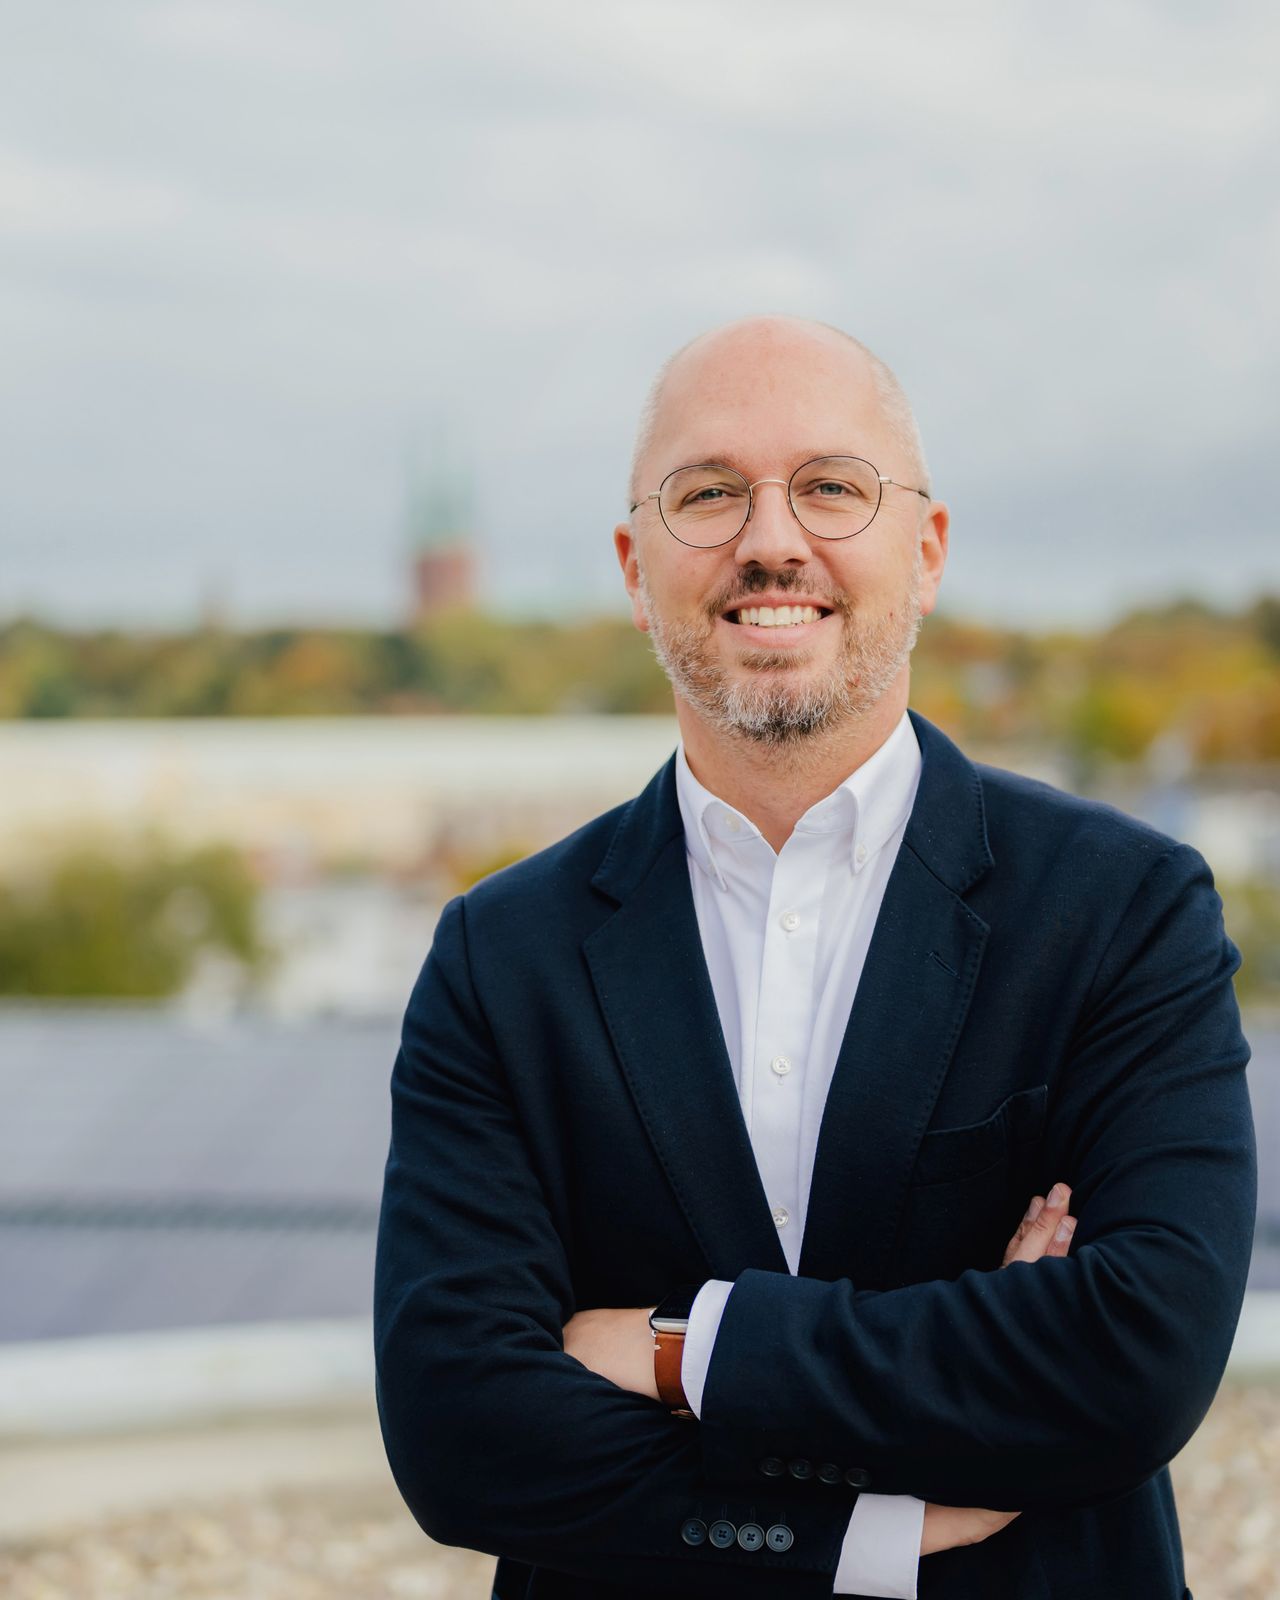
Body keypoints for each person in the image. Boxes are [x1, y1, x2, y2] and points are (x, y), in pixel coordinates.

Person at [373, 314, 1256, 1600]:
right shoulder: (498, 956)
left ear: (928, 548)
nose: (770, 539)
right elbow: (460, 1427)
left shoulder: (1122, 909)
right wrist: (866, 1525)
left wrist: (683, 1349)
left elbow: (1136, 1351)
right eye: (708, 493)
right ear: (633, 566)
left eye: (831, 488)